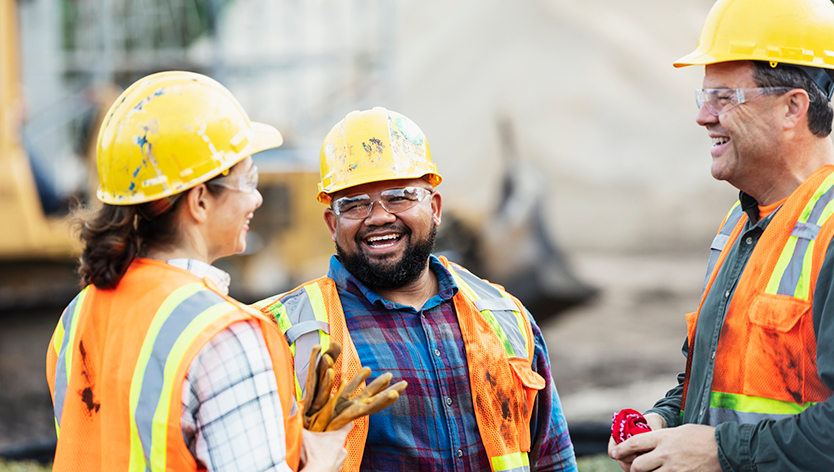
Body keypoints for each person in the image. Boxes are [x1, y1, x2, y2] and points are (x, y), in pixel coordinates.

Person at [45, 71, 351, 471]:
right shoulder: (225, 335)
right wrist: (323, 459)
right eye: (248, 179)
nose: (256, 197)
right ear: (200, 200)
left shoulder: (78, 314)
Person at [255, 107, 577, 472]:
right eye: (355, 204)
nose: (378, 216)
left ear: (435, 207)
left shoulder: (505, 315)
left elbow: (552, 458)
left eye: (399, 196)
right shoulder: (278, 332)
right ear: (332, 223)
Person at [608, 0, 834, 471]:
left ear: (794, 106)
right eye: (703, 96)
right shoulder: (742, 221)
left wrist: (719, 452)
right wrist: (667, 419)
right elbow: (724, 382)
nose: (703, 116)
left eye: (725, 97)